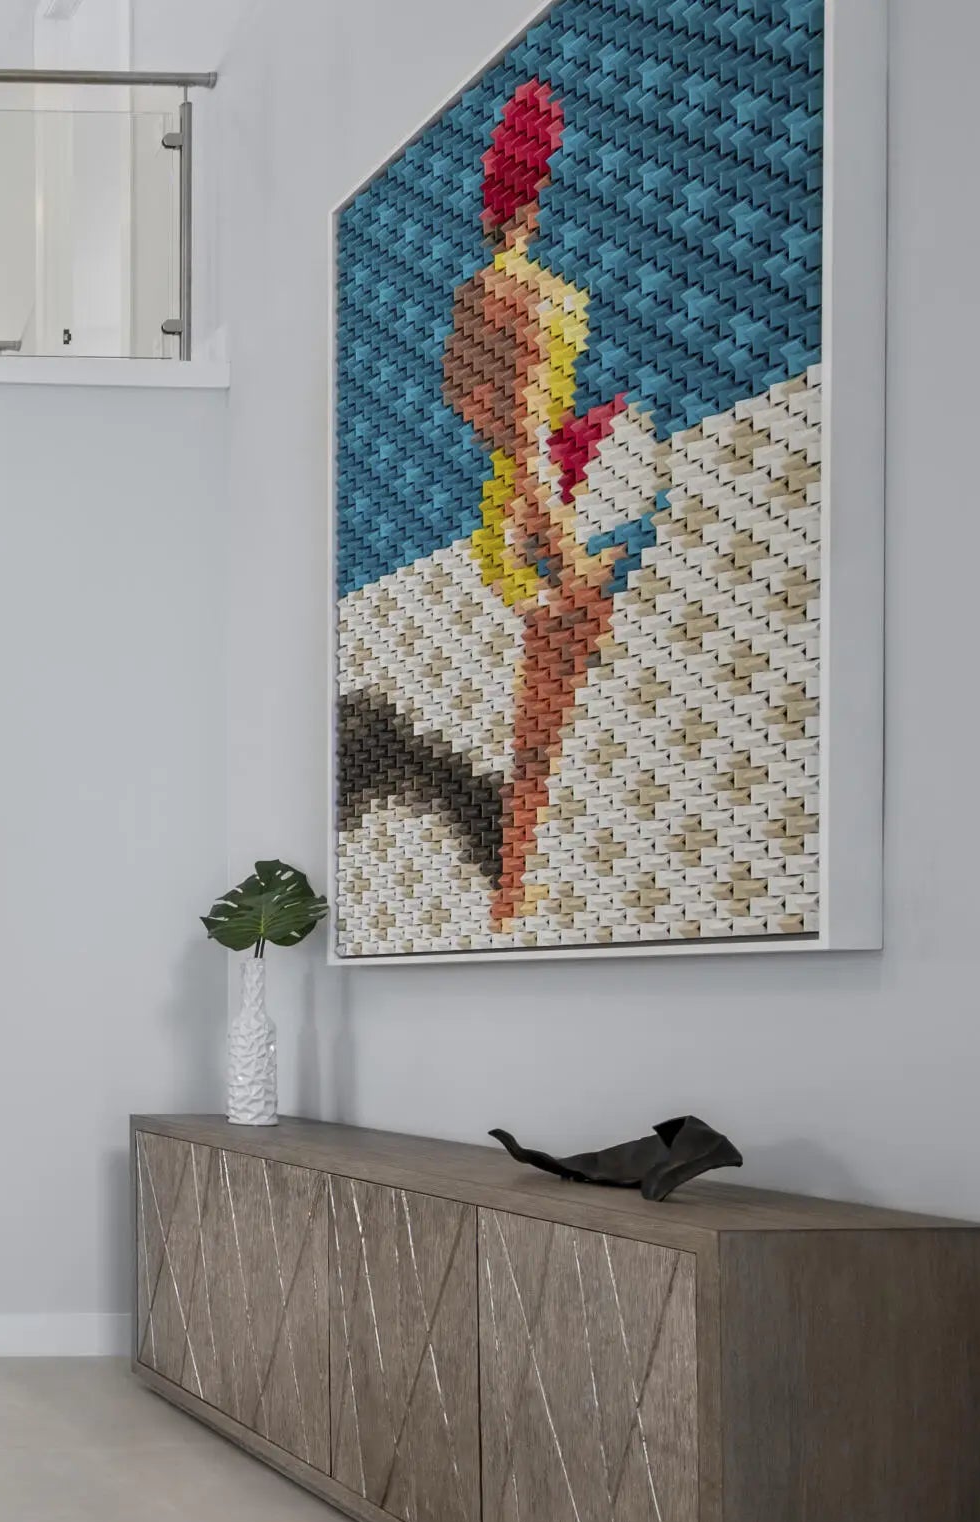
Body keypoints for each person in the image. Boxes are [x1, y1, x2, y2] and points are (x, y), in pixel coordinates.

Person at [443, 79, 634, 929]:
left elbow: (465, 399)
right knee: (543, 721)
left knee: (536, 725)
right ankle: (512, 895)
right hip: (537, 504)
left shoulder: (473, 298)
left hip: (504, 506)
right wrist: (565, 547)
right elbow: (527, 438)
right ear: (541, 185)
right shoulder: (538, 298)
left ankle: (511, 894)